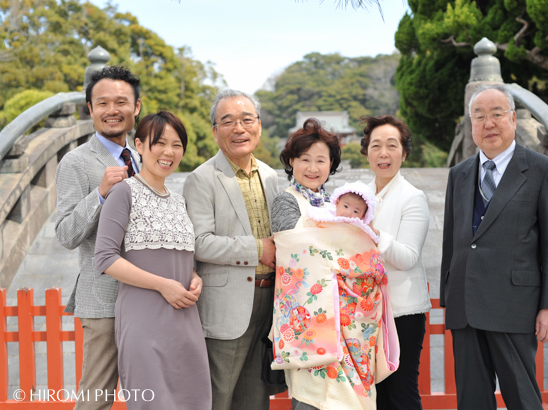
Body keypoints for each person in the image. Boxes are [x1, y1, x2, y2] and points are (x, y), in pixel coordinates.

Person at [440, 83, 548, 410]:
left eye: (497, 114)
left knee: (523, 398)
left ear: (512, 118)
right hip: (465, 306)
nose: (488, 123)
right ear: (471, 126)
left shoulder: (543, 171)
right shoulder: (459, 174)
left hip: (514, 305)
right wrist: (448, 295)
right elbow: (452, 241)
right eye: (479, 116)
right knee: (471, 400)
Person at [94, 111, 211, 409]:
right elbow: (106, 258)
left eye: (177, 145)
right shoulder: (123, 193)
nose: (169, 152)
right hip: (144, 322)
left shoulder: (178, 200)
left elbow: (181, 256)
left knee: (194, 400)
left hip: (185, 321)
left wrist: (194, 276)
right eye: (159, 143)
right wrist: (163, 286)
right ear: (140, 145)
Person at [183, 89, 279, 410]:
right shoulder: (202, 178)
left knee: (255, 397)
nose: (239, 128)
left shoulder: (270, 176)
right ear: (215, 130)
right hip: (226, 305)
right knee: (218, 397)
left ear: (259, 126)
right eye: (228, 121)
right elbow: (200, 242)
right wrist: (257, 250)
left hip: (270, 301)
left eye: (246, 119)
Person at [55, 65, 141, 410]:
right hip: (104, 300)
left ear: (136, 107)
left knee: (146, 392)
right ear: (90, 109)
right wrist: (101, 193)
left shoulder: (141, 157)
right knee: (96, 398)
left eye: (121, 101)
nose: (112, 110)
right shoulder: (75, 162)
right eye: (102, 102)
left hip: (145, 296)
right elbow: (65, 233)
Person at [271, 177, 398, 410]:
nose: (349, 213)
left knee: (355, 372)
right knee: (312, 394)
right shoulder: (307, 212)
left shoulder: (361, 231)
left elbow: (371, 262)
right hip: (316, 315)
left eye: (356, 211)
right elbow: (297, 249)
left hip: (354, 314)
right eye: (346, 206)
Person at [359, 115, 431, 410]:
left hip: (402, 313)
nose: (383, 154)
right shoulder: (357, 195)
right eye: (375, 146)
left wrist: (374, 234)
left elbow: (408, 257)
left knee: (401, 393)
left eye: (392, 145)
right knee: (373, 397)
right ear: (366, 152)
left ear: (404, 152)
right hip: (364, 312)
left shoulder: (413, 197)